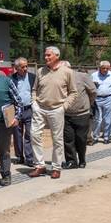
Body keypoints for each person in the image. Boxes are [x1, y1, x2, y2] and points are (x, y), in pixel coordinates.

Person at [29, 46, 77, 179]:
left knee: (57, 139)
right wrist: (34, 103)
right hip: (40, 107)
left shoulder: (67, 72)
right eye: (45, 55)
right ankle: (40, 165)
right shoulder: (40, 71)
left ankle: (56, 167)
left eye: (49, 55)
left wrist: (64, 106)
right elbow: (34, 89)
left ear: (57, 56)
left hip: (57, 109)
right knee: (34, 135)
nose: (46, 57)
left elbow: (73, 92)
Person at [61, 62, 96, 169]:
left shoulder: (82, 76)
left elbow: (93, 91)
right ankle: (71, 161)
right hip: (66, 114)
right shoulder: (59, 79)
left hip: (82, 114)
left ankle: (82, 160)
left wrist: (87, 104)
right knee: (68, 139)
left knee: (81, 139)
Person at [11, 57, 36, 167]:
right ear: (16, 68)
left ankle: (29, 158)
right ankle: (19, 156)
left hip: (29, 109)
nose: (25, 68)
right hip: (16, 111)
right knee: (17, 134)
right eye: (22, 67)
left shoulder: (32, 77)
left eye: (26, 66)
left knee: (29, 134)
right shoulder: (11, 79)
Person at [91, 61, 111, 144]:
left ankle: (106, 136)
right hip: (97, 99)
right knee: (97, 119)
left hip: (109, 98)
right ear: (100, 68)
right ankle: (95, 137)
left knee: (107, 119)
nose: (105, 70)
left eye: (107, 68)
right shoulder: (94, 75)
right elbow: (90, 88)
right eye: (103, 68)